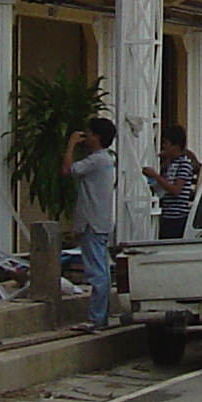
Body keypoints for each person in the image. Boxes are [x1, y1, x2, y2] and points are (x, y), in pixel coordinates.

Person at [66, 118, 120, 330]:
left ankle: (96, 318)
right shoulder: (106, 160)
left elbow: (67, 170)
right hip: (101, 220)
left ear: (96, 137)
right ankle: (101, 316)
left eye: (88, 133)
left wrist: (71, 144)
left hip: (92, 222)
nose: (85, 136)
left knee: (96, 272)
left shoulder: (96, 160)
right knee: (102, 270)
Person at [144, 124, 201, 238]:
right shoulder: (171, 164)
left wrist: (155, 176)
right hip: (167, 214)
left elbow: (176, 190)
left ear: (175, 145)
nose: (164, 146)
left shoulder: (184, 164)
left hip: (177, 217)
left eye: (166, 143)